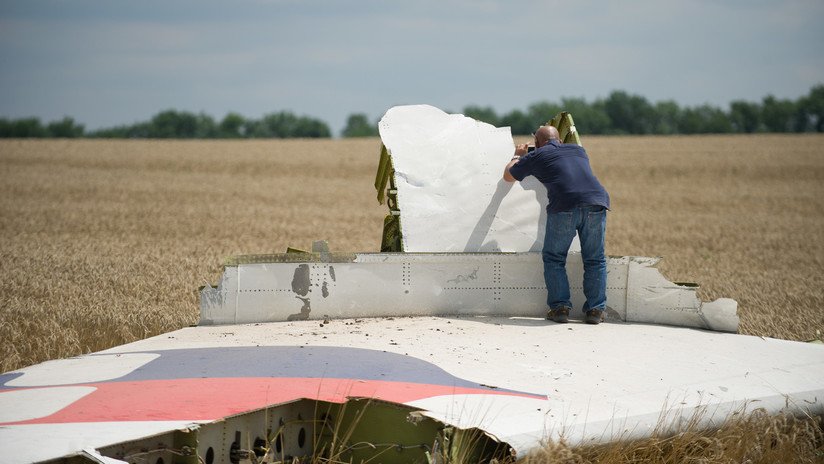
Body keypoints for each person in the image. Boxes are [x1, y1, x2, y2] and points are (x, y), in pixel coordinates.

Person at [503, 125, 610, 324]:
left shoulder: (536, 156)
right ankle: (595, 311)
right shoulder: (579, 150)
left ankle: (560, 308)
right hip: (597, 202)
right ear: (560, 140)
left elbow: (508, 175)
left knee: (554, 258)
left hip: (564, 206)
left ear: (537, 143)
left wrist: (518, 155)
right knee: (595, 259)